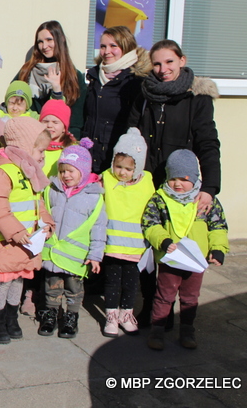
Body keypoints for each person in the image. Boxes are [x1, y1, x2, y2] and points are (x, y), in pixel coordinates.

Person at [144, 150, 228, 350]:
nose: (178, 183)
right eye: (173, 178)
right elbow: (150, 224)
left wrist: (218, 249)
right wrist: (162, 241)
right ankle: (157, 331)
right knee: (164, 295)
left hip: (196, 261)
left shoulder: (207, 201)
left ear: (195, 179)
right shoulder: (160, 199)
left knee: (190, 298)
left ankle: (187, 331)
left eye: (184, 178)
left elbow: (218, 226)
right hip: (170, 259)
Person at [127, 39, 220, 216]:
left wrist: (209, 188)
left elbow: (208, 143)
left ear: (182, 61)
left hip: (179, 187)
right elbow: (130, 138)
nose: (163, 70)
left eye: (169, 62)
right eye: (157, 64)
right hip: (145, 184)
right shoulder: (144, 96)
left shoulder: (197, 98)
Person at [0, 117, 53, 344]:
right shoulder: (4, 171)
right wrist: (15, 231)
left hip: (25, 240)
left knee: (18, 279)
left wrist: (46, 223)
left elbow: (37, 202)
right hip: (5, 240)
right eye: (39, 149)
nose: (43, 155)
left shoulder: (28, 170)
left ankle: (12, 318)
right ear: (24, 146)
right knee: (3, 281)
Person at [38, 138, 107, 339]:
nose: (66, 175)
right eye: (62, 171)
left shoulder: (94, 196)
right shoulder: (52, 190)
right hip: (53, 252)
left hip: (77, 256)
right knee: (52, 285)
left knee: (74, 289)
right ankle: (50, 314)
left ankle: (71, 316)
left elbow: (98, 228)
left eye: (71, 171)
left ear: (83, 172)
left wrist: (95, 255)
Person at [101, 128, 155, 337]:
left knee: (131, 284)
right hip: (112, 244)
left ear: (138, 168)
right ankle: (111, 316)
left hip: (136, 247)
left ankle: (126, 314)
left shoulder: (146, 183)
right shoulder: (106, 178)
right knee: (112, 282)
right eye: (118, 166)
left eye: (128, 168)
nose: (122, 172)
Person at [82, 26, 151, 173]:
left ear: (126, 47)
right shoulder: (95, 77)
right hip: (89, 158)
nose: (107, 52)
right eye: (103, 46)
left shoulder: (135, 81)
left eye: (113, 46)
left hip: (117, 162)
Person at [14, 21, 87, 138]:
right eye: (40, 42)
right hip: (30, 138)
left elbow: (77, 119)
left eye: (49, 40)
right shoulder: (27, 71)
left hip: (60, 142)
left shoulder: (73, 76)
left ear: (61, 39)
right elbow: (12, 103)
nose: (44, 46)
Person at [39, 100, 76, 178]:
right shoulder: (34, 145)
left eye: (55, 122)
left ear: (64, 127)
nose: (49, 125)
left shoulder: (72, 149)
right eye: (45, 121)